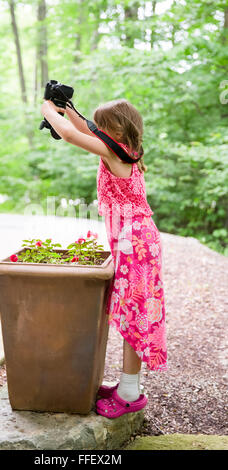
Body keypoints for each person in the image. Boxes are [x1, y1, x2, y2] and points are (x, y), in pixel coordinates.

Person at [41, 98, 168, 418]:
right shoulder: (124, 150)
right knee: (131, 315)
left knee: (134, 317)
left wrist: (45, 111)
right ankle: (128, 383)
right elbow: (85, 129)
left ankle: (129, 393)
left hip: (136, 245)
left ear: (118, 131)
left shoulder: (116, 153)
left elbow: (71, 136)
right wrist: (67, 109)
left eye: (103, 126)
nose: (98, 131)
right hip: (136, 242)